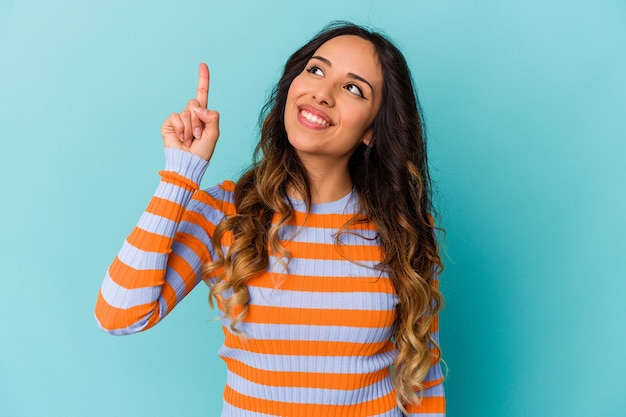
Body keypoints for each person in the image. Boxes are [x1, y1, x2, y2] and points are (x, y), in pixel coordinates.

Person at [95, 21, 446, 416]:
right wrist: (181, 172)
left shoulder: (403, 228)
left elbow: (421, 376)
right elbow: (120, 313)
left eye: (353, 88)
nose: (322, 92)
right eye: (315, 69)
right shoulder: (227, 212)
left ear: (373, 131)